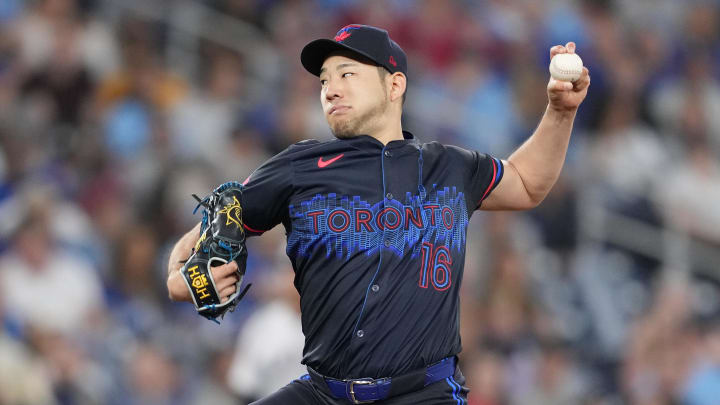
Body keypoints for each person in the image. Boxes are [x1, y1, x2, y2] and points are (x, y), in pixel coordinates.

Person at [166, 24, 590, 404]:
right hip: (323, 391)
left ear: (395, 85)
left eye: (347, 74)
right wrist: (182, 280)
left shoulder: (449, 167)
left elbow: (527, 183)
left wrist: (561, 111)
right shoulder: (300, 166)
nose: (330, 89)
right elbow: (216, 223)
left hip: (423, 394)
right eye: (324, 80)